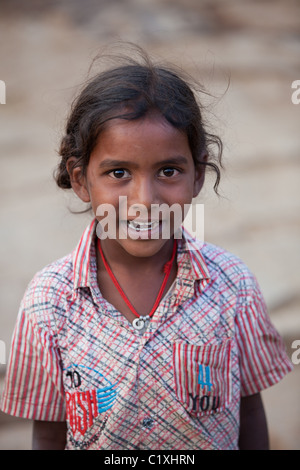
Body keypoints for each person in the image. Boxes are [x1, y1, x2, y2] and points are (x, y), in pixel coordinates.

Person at [1, 47, 293, 450]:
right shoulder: (48, 302)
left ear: (198, 175)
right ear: (81, 179)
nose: (145, 199)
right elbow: (49, 432)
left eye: (168, 171)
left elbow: (251, 410)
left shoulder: (233, 286)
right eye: (118, 172)